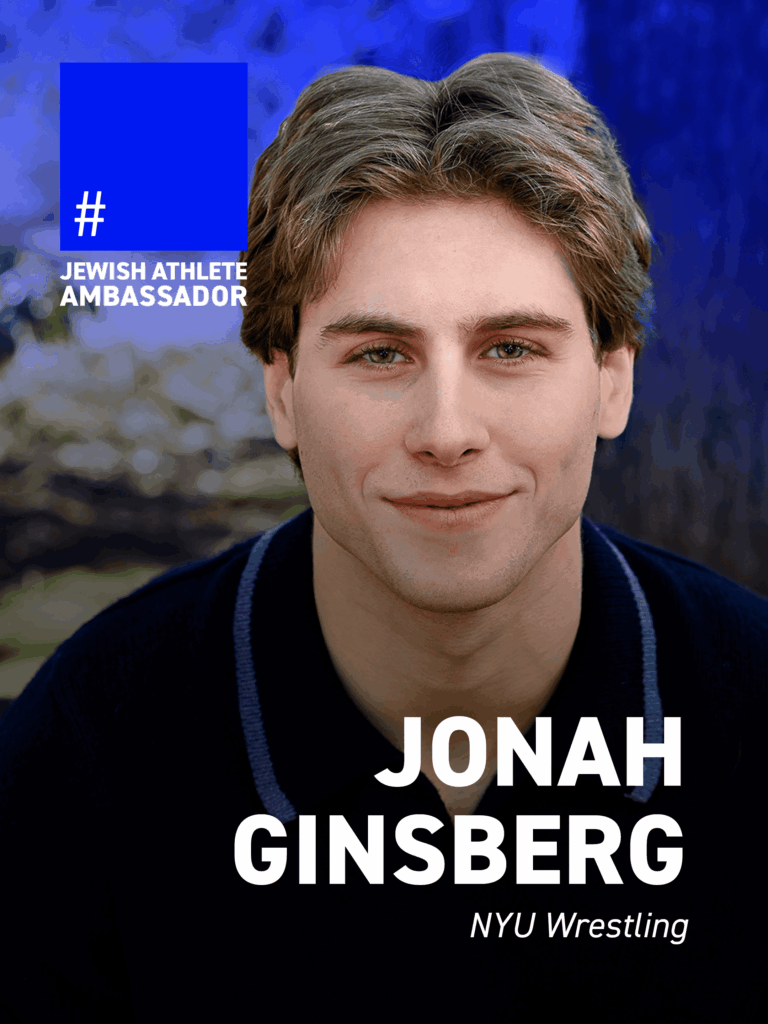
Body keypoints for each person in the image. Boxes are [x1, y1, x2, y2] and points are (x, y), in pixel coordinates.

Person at [1, 53, 766, 1023]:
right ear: (281, 389)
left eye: (511, 349)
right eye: (378, 352)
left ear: (615, 376)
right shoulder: (84, 753)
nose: (446, 431)